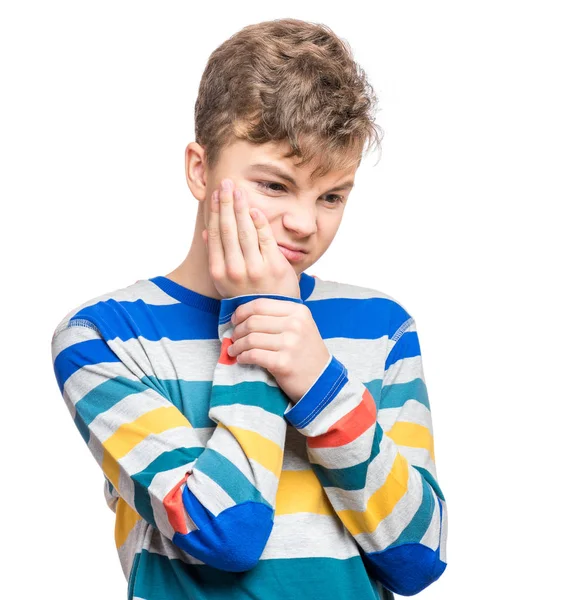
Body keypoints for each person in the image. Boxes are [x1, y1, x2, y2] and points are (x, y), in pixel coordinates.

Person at [51, 18, 447, 599]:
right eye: (275, 186)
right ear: (199, 169)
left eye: (332, 196)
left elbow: (419, 557)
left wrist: (319, 380)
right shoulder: (103, 337)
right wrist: (260, 311)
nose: (307, 224)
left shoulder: (381, 328)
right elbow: (224, 530)